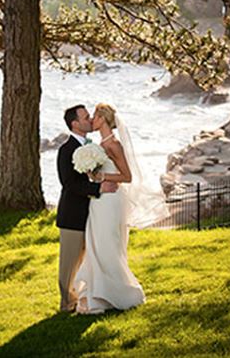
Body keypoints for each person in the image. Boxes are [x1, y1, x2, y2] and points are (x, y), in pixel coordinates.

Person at [73, 103, 147, 314]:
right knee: (96, 243)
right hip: (98, 201)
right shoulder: (97, 147)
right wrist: (92, 175)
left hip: (111, 201)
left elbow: (127, 176)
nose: (91, 121)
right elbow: (97, 175)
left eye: (94, 117)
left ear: (103, 119)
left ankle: (119, 292)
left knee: (108, 245)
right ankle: (99, 291)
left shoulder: (113, 145)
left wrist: (102, 177)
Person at [56, 104, 118, 313]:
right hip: (72, 214)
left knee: (85, 261)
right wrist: (99, 187)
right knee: (69, 263)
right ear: (75, 124)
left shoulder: (91, 146)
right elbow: (69, 184)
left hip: (91, 214)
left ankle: (83, 297)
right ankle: (66, 304)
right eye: (85, 117)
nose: (90, 119)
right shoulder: (67, 150)